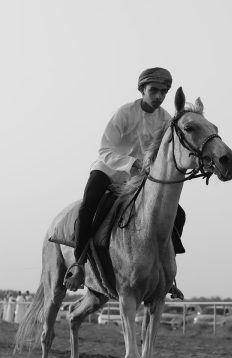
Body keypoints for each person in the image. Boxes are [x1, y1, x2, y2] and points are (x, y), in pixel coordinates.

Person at [64, 67, 185, 299]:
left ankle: (167, 272)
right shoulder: (124, 113)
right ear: (142, 90)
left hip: (139, 179)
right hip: (108, 170)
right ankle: (78, 265)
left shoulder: (166, 119)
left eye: (163, 92)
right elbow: (105, 150)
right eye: (154, 90)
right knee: (88, 208)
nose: (159, 96)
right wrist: (133, 163)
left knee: (177, 214)